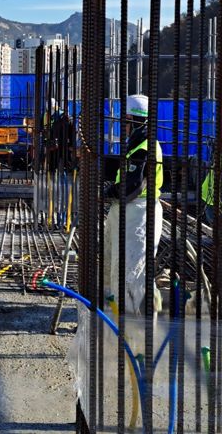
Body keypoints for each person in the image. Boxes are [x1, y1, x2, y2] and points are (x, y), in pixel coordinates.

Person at [103, 94, 163, 316]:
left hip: (139, 213)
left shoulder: (145, 146)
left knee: (131, 273)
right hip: (128, 211)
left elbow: (134, 186)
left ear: (134, 120)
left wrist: (109, 191)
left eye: (125, 120)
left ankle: (133, 326)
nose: (124, 126)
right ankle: (119, 313)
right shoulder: (137, 142)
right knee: (117, 268)